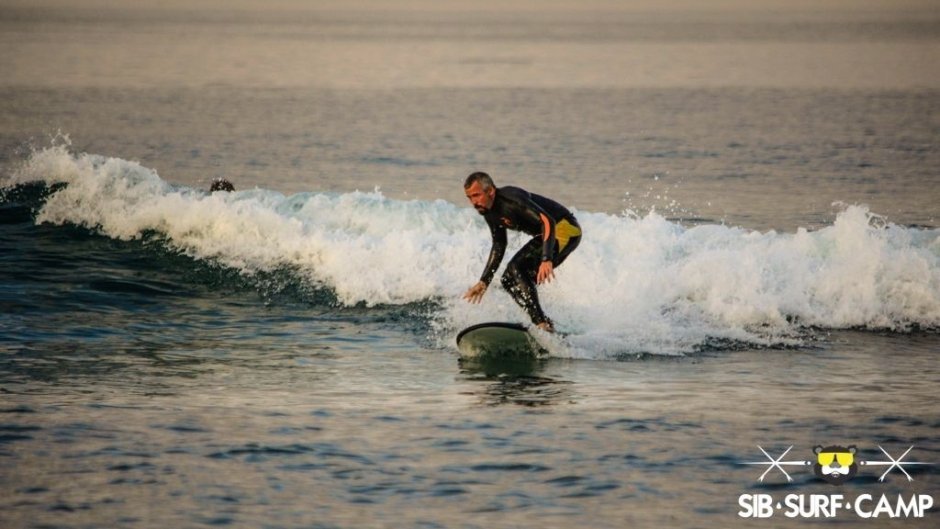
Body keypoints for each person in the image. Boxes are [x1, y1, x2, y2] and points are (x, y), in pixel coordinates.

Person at [462, 171, 581, 332]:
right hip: (550, 235)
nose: (473, 202)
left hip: (565, 229)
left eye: (476, 195)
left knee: (516, 268)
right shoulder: (489, 211)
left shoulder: (511, 199)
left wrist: (546, 258)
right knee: (509, 281)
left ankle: (542, 324)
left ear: (490, 191)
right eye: (470, 198)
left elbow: (547, 221)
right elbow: (499, 244)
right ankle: (545, 325)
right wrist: (484, 281)